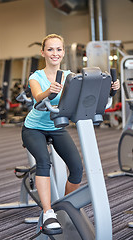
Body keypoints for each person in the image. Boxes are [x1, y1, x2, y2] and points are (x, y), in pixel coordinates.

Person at [22, 33, 120, 232]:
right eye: (50, 49)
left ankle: (65, 207)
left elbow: (85, 96)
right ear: (43, 52)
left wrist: (109, 90)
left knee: (76, 169)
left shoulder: (69, 76)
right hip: (34, 128)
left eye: (58, 49)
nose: (54, 53)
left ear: (63, 52)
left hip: (57, 128)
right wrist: (49, 91)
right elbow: (38, 97)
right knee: (43, 163)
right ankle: (49, 212)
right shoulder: (36, 77)